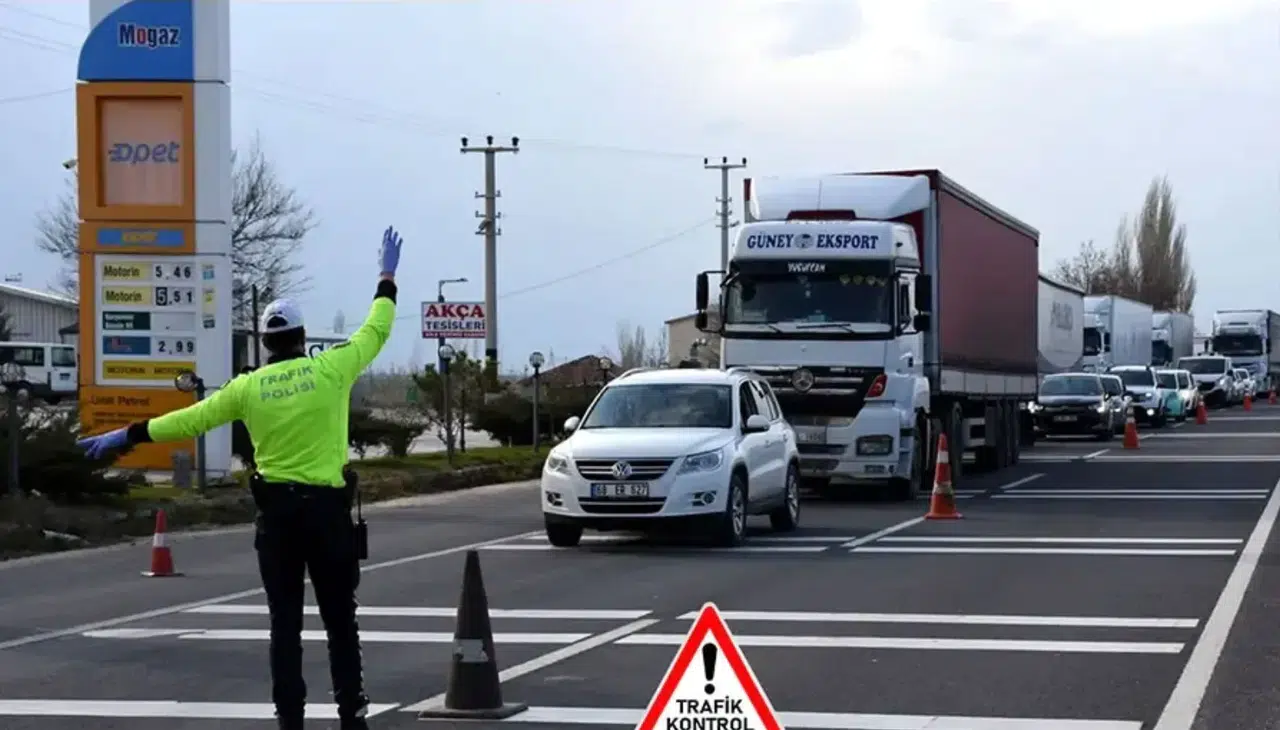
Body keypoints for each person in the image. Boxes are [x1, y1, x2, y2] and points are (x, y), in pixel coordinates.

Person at [76, 226, 405, 730]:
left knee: (284, 626)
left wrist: (128, 434)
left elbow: (190, 420)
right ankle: (351, 715)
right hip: (327, 517)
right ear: (301, 337)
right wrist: (386, 278)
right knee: (341, 622)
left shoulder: (247, 388)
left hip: (277, 521)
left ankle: (289, 720)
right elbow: (375, 329)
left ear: (266, 341)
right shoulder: (331, 370)